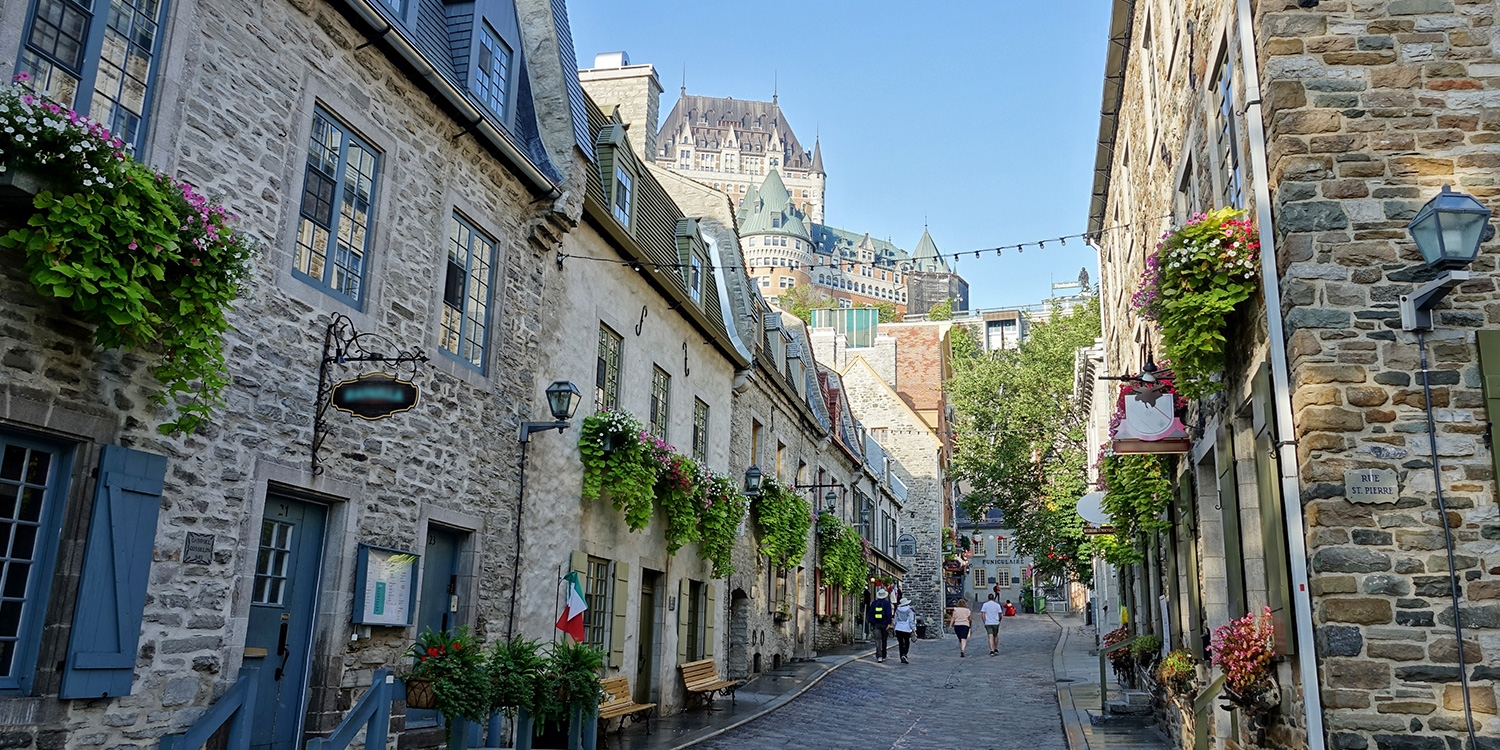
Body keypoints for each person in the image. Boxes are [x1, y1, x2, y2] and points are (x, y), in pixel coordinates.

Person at [867, 588, 894, 662]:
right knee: (884, 640)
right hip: (884, 624)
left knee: (877, 640)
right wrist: (889, 623)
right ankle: (884, 655)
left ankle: (879, 656)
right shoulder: (887, 603)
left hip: (876, 624)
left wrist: (871, 623)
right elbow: (889, 614)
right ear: (885, 596)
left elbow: (870, 614)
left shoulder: (874, 603)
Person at [893, 597, 916, 663]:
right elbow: (911, 621)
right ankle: (904, 654)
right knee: (907, 642)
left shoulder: (897, 610)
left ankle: (901, 655)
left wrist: (894, 628)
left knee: (900, 643)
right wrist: (913, 629)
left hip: (898, 628)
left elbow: (895, 620)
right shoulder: (909, 611)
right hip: (906, 628)